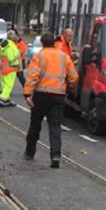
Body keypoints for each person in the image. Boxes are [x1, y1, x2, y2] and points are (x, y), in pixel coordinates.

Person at [24, 33, 79, 168]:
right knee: (55, 126)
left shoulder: (39, 56)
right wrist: (68, 86)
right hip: (58, 96)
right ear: (54, 43)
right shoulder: (64, 57)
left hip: (41, 95)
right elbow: (73, 76)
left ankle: (30, 152)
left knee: (35, 124)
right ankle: (55, 155)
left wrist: (27, 94)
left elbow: (32, 76)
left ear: (42, 43)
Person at [0, 30, 21, 107]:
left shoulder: (5, 44)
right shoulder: (10, 46)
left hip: (4, 67)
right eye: (15, 35)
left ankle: (6, 99)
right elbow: (11, 59)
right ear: (12, 37)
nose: (16, 37)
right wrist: (17, 55)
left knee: (4, 83)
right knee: (9, 84)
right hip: (10, 68)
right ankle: (3, 98)